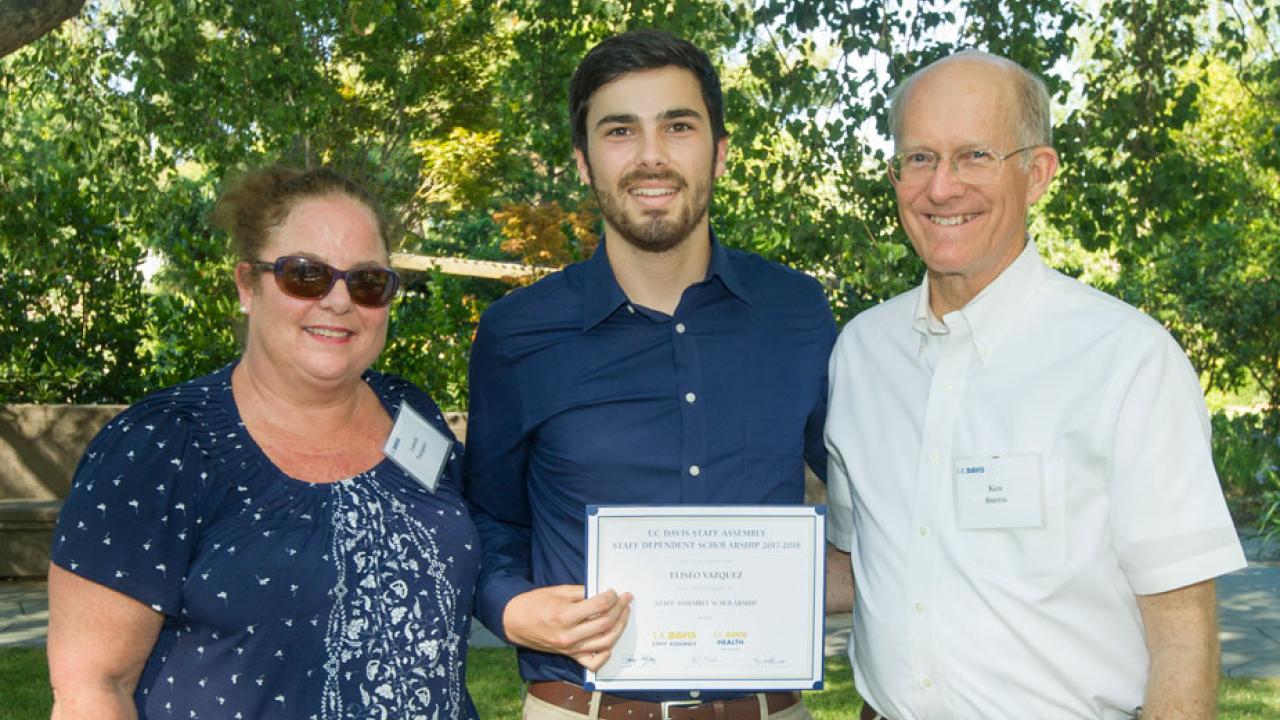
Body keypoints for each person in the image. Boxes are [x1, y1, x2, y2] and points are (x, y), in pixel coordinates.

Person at [823, 50, 1248, 719]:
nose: (942, 187)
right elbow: (859, 564)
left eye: (975, 156)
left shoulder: (1127, 360)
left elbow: (1182, 628)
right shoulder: (861, 354)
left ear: (1038, 173)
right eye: (919, 158)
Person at [465, 28, 835, 720]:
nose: (650, 155)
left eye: (678, 126)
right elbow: (489, 515)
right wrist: (511, 607)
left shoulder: (797, 314)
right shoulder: (517, 334)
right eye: (620, 131)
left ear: (719, 151)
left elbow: (861, 485)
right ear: (583, 162)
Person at [46, 166, 480, 719]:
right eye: (306, 275)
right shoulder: (160, 445)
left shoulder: (410, 412)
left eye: (368, 282)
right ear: (247, 285)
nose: (339, 301)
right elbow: (93, 688)